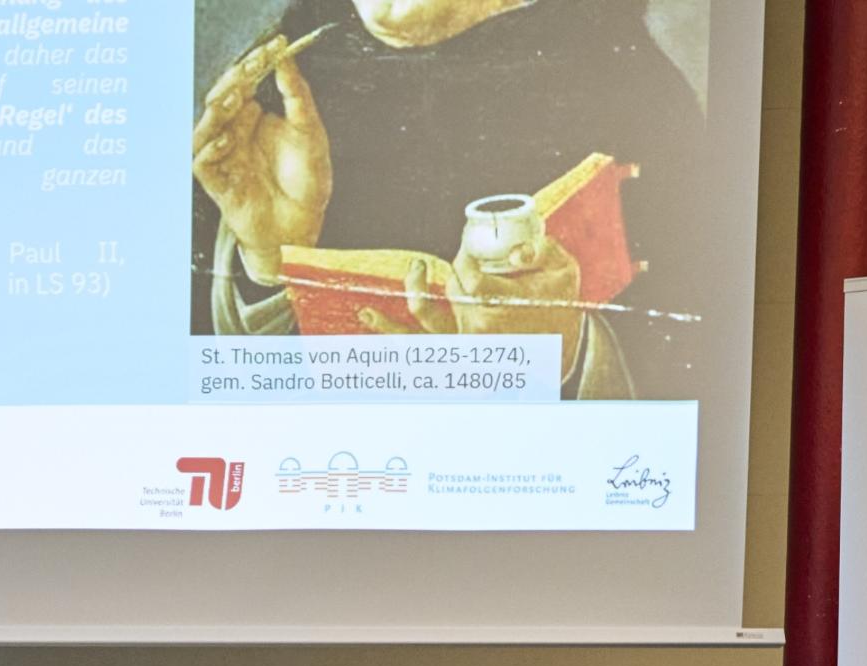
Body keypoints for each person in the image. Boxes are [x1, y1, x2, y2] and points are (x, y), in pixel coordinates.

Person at [191, 0, 710, 394]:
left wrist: (558, 358)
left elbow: (694, 382)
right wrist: (265, 265)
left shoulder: (634, 94)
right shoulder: (282, 80)